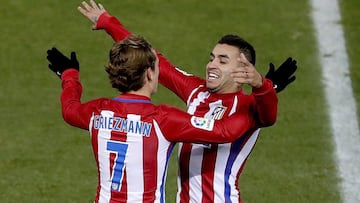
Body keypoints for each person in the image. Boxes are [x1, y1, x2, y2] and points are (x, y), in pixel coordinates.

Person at [77, 1, 295, 202]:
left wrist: (262, 86)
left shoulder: (248, 107)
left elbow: (269, 115)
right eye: (211, 58)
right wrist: (109, 23)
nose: (212, 65)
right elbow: (156, 60)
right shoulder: (197, 91)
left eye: (222, 60)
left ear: (242, 69)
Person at [46, 35, 269, 203]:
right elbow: (223, 131)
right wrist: (263, 94)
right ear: (150, 74)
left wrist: (70, 76)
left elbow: (70, 109)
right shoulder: (164, 119)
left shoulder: (97, 111)